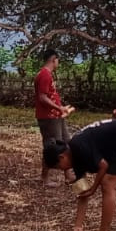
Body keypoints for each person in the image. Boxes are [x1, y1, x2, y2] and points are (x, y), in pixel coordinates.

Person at [34, 49, 74, 185]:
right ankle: (44, 177)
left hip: (56, 116)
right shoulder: (44, 75)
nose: (58, 63)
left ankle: (68, 174)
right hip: (49, 116)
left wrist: (60, 110)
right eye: (58, 60)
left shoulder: (47, 74)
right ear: (53, 59)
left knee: (66, 142)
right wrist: (59, 108)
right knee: (52, 146)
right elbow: (42, 97)